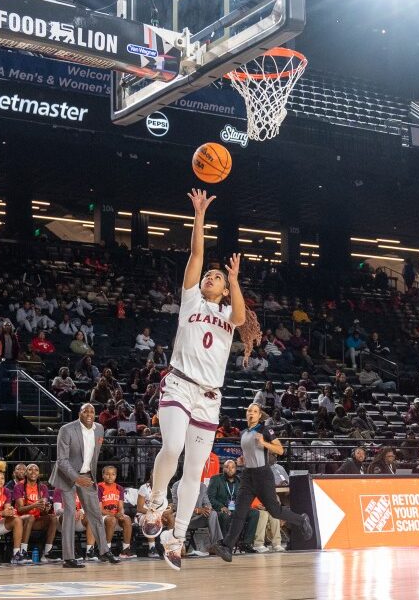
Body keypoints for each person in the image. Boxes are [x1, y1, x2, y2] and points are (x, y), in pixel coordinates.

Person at [144, 190, 260, 571]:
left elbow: (242, 318)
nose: (209, 277)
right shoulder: (191, 301)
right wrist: (198, 216)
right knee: (173, 446)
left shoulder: (230, 315)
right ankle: (156, 498)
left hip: (209, 397)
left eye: (216, 277)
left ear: (224, 289)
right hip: (179, 383)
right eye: (208, 276)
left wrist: (235, 279)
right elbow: (196, 255)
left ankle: (174, 538)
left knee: (195, 470)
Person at [210, 403, 312, 562]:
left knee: (275, 511)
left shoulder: (265, 430)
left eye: (255, 411)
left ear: (259, 416)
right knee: (239, 512)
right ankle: (227, 547)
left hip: (263, 475)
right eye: (249, 410)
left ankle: (302, 520)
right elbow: (250, 453)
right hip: (247, 475)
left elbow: (280, 450)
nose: (251, 413)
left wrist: (264, 443)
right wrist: (243, 460)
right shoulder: (243, 433)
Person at [50, 403, 118, 568]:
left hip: (87, 475)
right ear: (79, 413)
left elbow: (93, 455)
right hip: (67, 476)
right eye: (85, 410)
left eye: (92, 411)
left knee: (95, 513)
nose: (89, 413)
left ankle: (103, 551)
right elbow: (62, 460)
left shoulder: (100, 429)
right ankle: (68, 557)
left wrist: (86, 476)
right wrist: (76, 478)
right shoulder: (66, 429)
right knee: (70, 513)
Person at [14, 464, 60, 562]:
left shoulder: (43, 487)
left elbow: (43, 511)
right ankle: (23, 552)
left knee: (53, 518)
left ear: (39, 474)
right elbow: (20, 509)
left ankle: (47, 552)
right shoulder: (19, 486)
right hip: (21, 520)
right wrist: (34, 505)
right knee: (30, 517)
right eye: (30, 469)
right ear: (26, 473)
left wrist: (46, 508)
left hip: (37, 519)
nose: (33, 472)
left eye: (36, 470)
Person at [98, 466, 135, 558]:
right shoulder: (99, 487)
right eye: (107, 474)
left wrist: (121, 513)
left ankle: (125, 550)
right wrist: (114, 515)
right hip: (103, 516)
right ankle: (106, 550)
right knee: (111, 520)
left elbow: (121, 507)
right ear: (103, 475)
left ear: (116, 476)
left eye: (113, 474)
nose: (110, 476)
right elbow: (100, 509)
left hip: (115, 515)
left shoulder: (119, 488)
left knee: (127, 519)